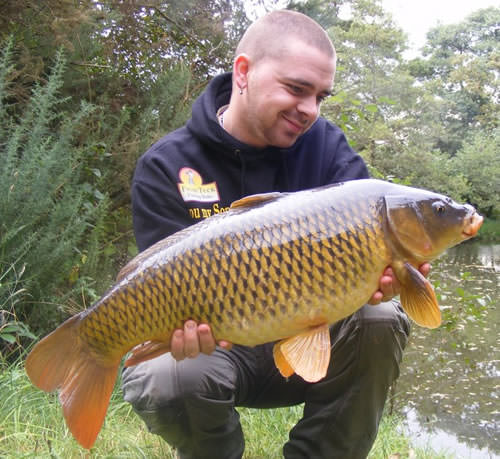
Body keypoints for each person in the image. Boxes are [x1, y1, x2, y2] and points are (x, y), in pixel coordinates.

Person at [122, 10, 427, 459]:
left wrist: (380, 281)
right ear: (243, 72)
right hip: (221, 352)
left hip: (312, 346)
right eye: (297, 89)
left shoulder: (328, 150)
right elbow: (157, 290)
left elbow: (380, 259)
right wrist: (175, 333)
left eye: (321, 96)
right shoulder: (166, 165)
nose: (310, 109)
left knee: (380, 318)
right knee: (167, 373)